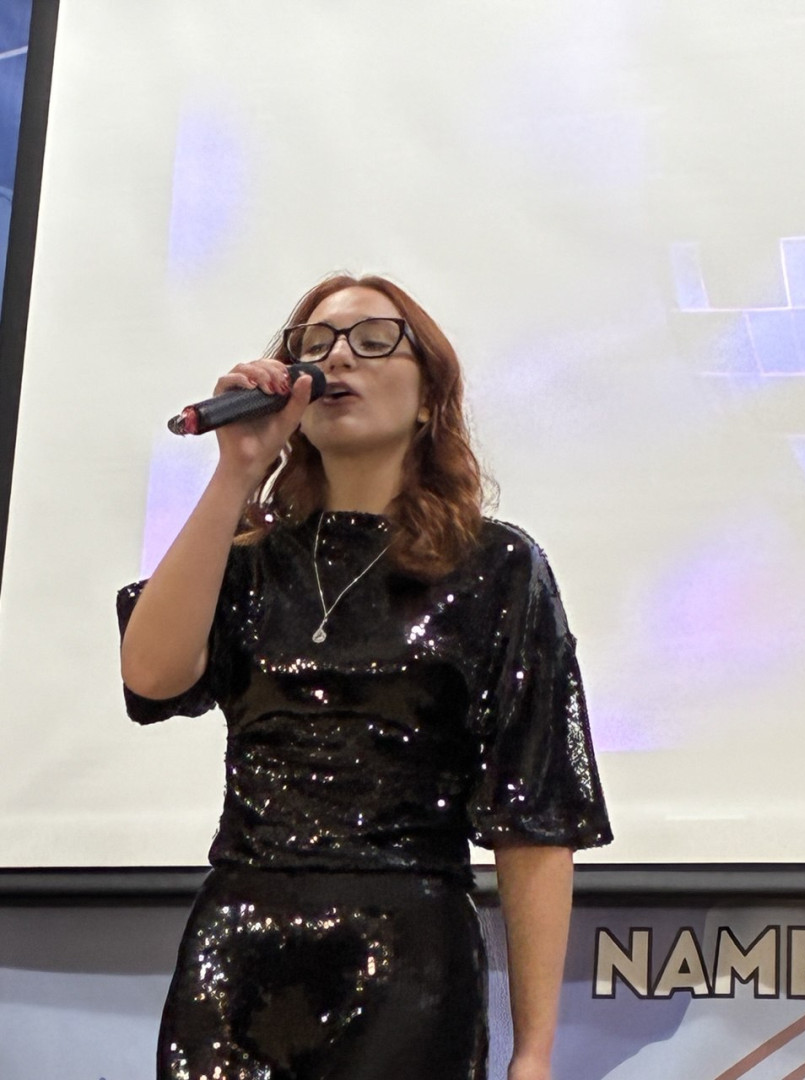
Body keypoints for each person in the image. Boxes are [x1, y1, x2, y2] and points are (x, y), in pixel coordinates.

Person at [118, 272, 612, 1080]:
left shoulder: (496, 566)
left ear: (428, 400)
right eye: (313, 345)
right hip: (238, 957)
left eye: (374, 341)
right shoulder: (251, 563)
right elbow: (152, 675)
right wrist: (237, 470)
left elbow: (535, 820)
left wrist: (534, 1051)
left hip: (407, 960)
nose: (338, 358)